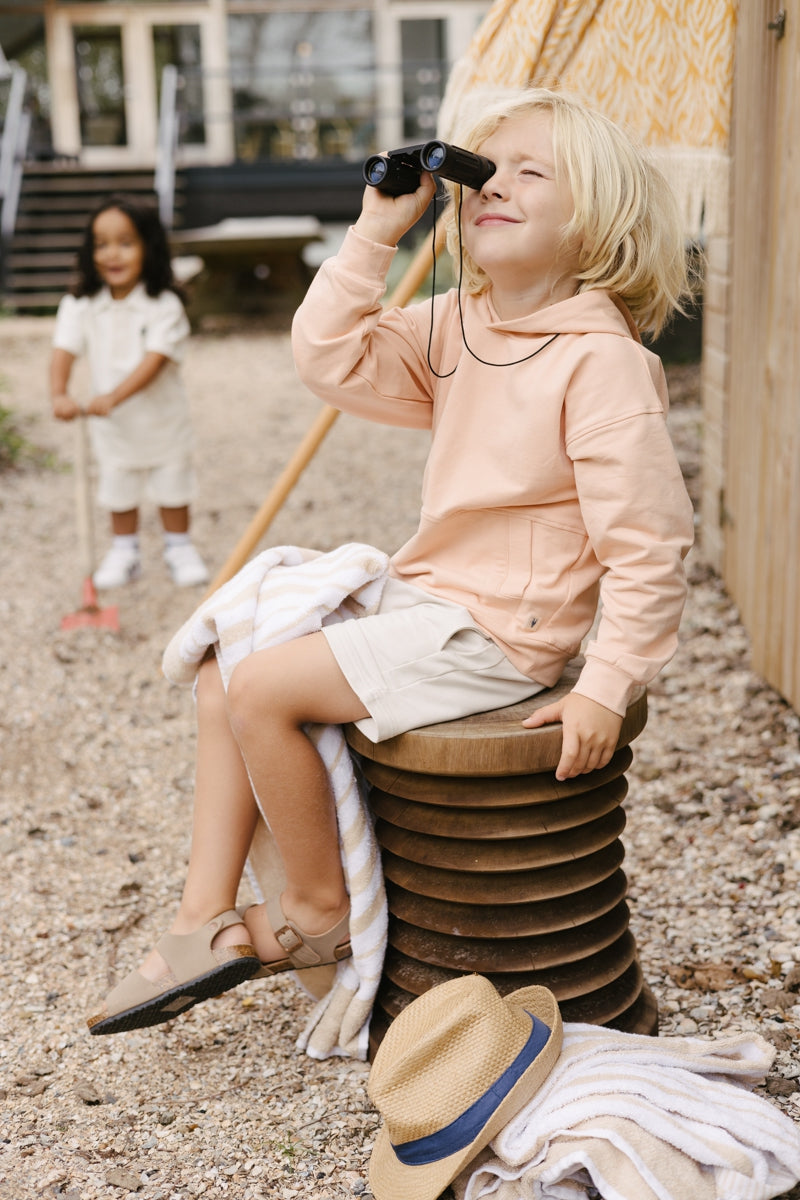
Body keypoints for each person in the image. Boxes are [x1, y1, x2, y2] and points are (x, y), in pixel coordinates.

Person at [86, 89, 695, 1035]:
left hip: (502, 633)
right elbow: (328, 358)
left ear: (599, 221)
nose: (494, 187)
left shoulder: (601, 364)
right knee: (222, 671)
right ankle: (199, 916)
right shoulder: (458, 325)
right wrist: (376, 233)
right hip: (428, 601)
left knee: (264, 690)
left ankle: (317, 913)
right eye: (485, 173)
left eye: (531, 173)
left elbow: (650, 546)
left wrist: (607, 686)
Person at [50, 195, 209, 589]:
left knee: (172, 482)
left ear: (149, 248)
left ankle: (179, 547)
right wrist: (59, 393)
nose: (112, 254)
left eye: (125, 243)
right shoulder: (80, 305)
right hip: (113, 425)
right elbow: (63, 350)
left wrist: (113, 397)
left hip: (161, 419)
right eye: (101, 244)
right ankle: (124, 551)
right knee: (117, 483)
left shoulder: (163, 305)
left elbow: (155, 360)